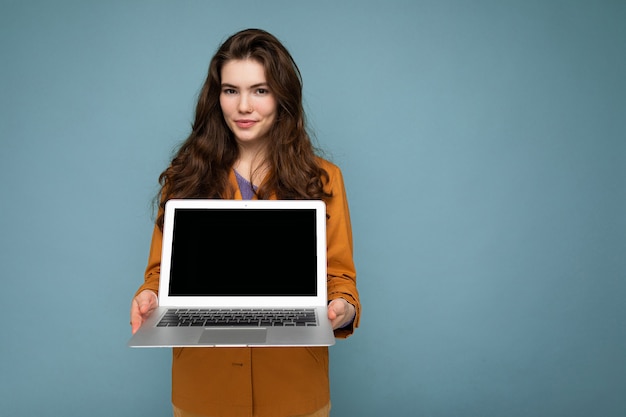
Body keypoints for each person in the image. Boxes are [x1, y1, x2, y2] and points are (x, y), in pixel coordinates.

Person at [130, 28, 360, 417]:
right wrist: (149, 296)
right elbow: (159, 273)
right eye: (230, 90)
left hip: (294, 388)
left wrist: (342, 307)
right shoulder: (183, 176)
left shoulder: (323, 179)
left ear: (282, 97)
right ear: (216, 96)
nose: (243, 106)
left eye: (260, 90)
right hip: (203, 389)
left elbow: (339, 277)